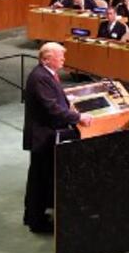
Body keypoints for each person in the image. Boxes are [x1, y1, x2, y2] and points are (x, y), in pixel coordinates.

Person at [22, 42, 91, 233]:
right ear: (47, 58)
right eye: (60, 56)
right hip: (43, 136)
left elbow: (57, 101)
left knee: (40, 177)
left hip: (47, 134)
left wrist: (71, 108)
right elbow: (51, 108)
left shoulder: (46, 75)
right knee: (40, 179)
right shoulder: (40, 78)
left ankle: (34, 216)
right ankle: (36, 221)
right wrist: (78, 117)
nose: (63, 59)